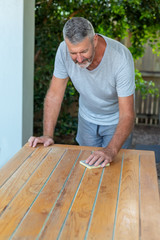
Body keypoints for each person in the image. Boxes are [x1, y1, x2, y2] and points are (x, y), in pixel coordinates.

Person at [29, 17, 135, 167]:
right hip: (87, 118)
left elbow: (127, 114)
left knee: (114, 171)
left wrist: (111, 150)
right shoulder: (63, 51)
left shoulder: (120, 58)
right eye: (73, 53)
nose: (79, 59)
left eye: (84, 51)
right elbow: (54, 96)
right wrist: (47, 135)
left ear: (95, 40)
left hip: (116, 121)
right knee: (85, 169)